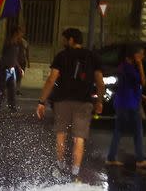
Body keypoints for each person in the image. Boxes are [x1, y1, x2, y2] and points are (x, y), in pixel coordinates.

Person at [36, 28, 104, 180]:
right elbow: (100, 83)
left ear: (71, 40)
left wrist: (42, 101)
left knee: (61, 133)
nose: (63, 42)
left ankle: (60, 167)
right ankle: (75, 172)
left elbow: (51, 79)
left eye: (65, 39)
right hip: (84, 102)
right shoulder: (93, 57)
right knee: (79, 137)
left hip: (62, 101)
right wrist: (99, 101)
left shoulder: (61, 56)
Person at [106, 45, 146, 171]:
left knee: (119, 130)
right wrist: (140, 65)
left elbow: (128, 86)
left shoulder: (122, 67)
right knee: (138, 131)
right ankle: (140, 160)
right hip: (130, 104)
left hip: (122, 102)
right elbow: (143, 82)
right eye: (141, 54)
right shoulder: (131, 69)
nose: (143, 57)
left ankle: (111, 157)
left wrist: (142, 96)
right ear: (135, 55)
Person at [0, 26, 24, 112]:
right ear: (16, 33)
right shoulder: (9, 41)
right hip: (3, 68)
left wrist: (19, 67)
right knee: (2, 88)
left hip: (11, 69)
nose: (22, 34)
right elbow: (5, 54)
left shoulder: (18, 43)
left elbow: (15, 58)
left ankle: (12, 107)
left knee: (12, 89)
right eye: (20, 32)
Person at [16, 26, 30, 94]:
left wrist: (28, 62)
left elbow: (27, 52)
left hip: (22, 61)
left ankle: (17, 89)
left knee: (20, 76)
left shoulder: (25, 42)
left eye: (21, 32)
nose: (21, 33)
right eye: (19, 32)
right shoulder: (14, 41)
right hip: (15, 61)